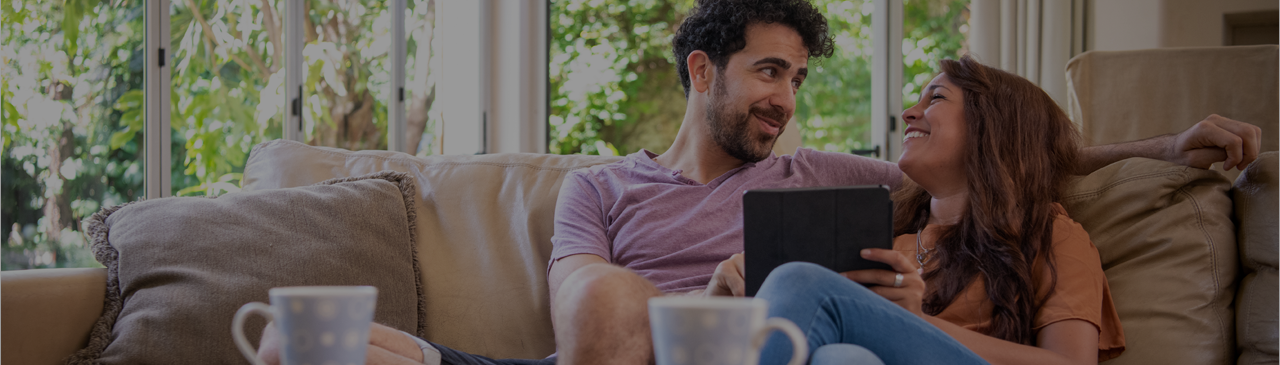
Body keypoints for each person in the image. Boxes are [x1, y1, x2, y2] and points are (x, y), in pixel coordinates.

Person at [254, 1, 1263, 364]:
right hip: (616, 353)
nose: (786, 100)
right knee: (333, 346)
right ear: (704, 72)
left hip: (764, 347)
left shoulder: (839, 180)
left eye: (798, 77)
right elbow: (589, 322)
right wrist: (708, 306)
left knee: (811, 321)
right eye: (769, 72)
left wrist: (1160, 147)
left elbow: (1008, 149)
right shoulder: (600, 188)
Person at [753, 55, 1122, 365]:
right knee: (844, 358)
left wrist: (912, 320)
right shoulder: (884, 239)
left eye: (936, 99)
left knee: (796, 280)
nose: (911, 112)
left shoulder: (1050, 232)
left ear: (993, 127)